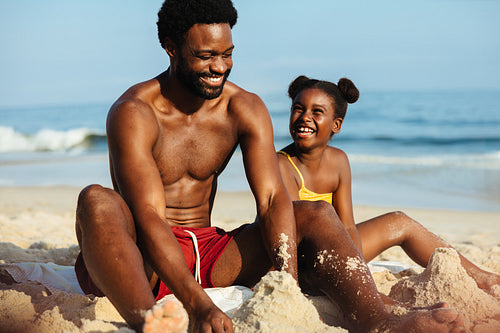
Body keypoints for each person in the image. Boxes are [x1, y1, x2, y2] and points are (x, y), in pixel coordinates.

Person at [74, 1, 465, 332]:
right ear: (170, 47)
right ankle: (150, 319)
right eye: (206, 56)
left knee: (313, 212)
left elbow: (272, 198)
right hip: (143, 258)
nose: (219, 66)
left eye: (227, 54)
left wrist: (286, 284)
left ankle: (377, 319)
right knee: (95, 200)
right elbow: (147, 215)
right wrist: (197, 305)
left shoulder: (244, 107)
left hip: (208, 250)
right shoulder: (135, 113)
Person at [277, 75, 500, 294]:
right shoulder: (281, 164)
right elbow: (293, 239)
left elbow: (347, 227)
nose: (305, 117)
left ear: (336, 125)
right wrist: (350, 276)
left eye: (317, 112)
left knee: (400, 222)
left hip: (335, 248)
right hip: (303, 263)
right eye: (298, 108)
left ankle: (484, 279)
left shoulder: (338, 161)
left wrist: (357, 267)